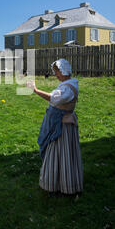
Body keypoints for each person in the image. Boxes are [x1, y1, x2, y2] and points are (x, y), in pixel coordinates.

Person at [27, 59, 83, 195]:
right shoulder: (66, 84)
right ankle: (58, 182)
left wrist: (35, 90)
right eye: (55, 72)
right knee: (59, 153)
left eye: (58, 72)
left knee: (60, 153)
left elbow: (54, 98)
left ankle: (62, 185)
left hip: (62, 127)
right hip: (59, 123)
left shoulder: (68, 88)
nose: (56, 74)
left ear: (64, 71)